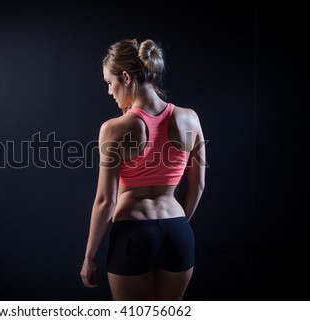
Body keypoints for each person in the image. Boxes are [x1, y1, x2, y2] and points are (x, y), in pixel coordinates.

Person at [79, 38, 206, 300]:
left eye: (109, 83)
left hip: (133, 235)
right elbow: (198, 186)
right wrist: (174, 229)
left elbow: (106, 200)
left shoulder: (114, 128)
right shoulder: (190, 118)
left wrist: (90, 256)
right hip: (178, 232)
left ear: (125, 77)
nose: (109, 92)